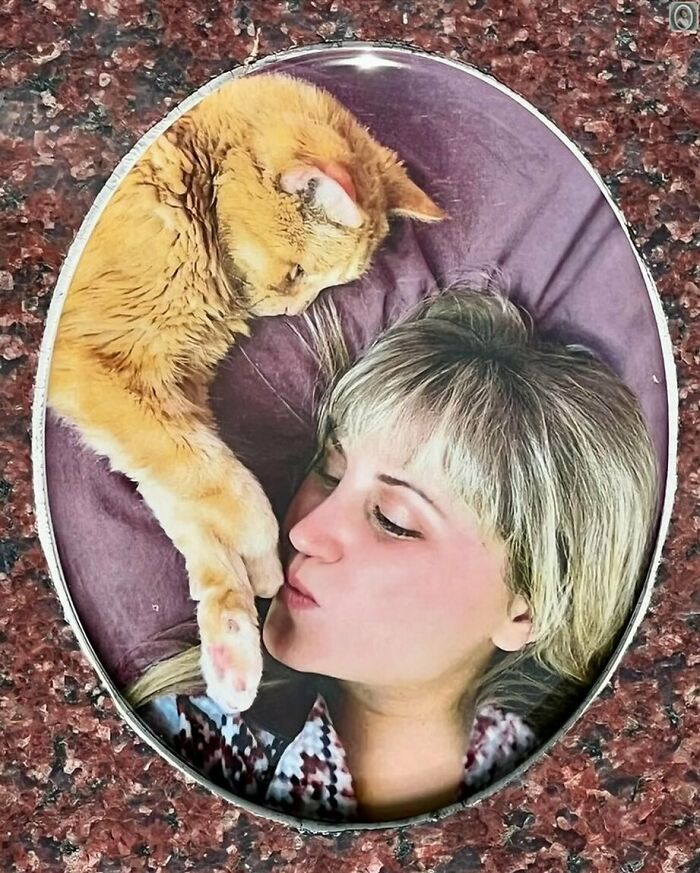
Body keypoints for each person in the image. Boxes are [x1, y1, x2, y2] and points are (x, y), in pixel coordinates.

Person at [125, 285, 658, 824]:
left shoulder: (582, 805)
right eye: (328, 471)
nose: (306, 531)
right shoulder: (184, 748)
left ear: (526, 609)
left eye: (392, 519)